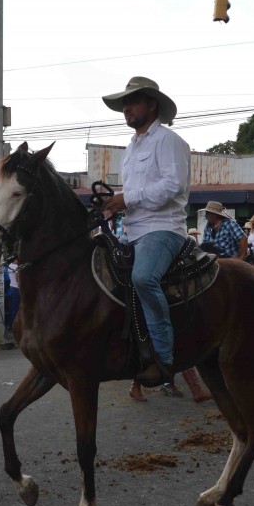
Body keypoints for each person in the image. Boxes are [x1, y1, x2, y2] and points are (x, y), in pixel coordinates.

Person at [100, 76, 191, 396]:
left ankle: (164, 360)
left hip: (164, 228)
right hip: (133, 230)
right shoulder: (130, 148)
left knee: (142, 277)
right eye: (124, 103)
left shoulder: (169, 141)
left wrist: (126, 199)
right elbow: (136, 194)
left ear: (152, 104)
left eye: (133, 101)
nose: (126, 108)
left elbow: (172, 187)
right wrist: (114, 206)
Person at [4, 257, 21, 343]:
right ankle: (13, 326)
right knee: (15, 308)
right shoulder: (16, 267)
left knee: (10, 308)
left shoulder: (8, 267)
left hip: (9, 289)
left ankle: (9, 324)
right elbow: (18, 278)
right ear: (16, 259)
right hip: (15, 288)